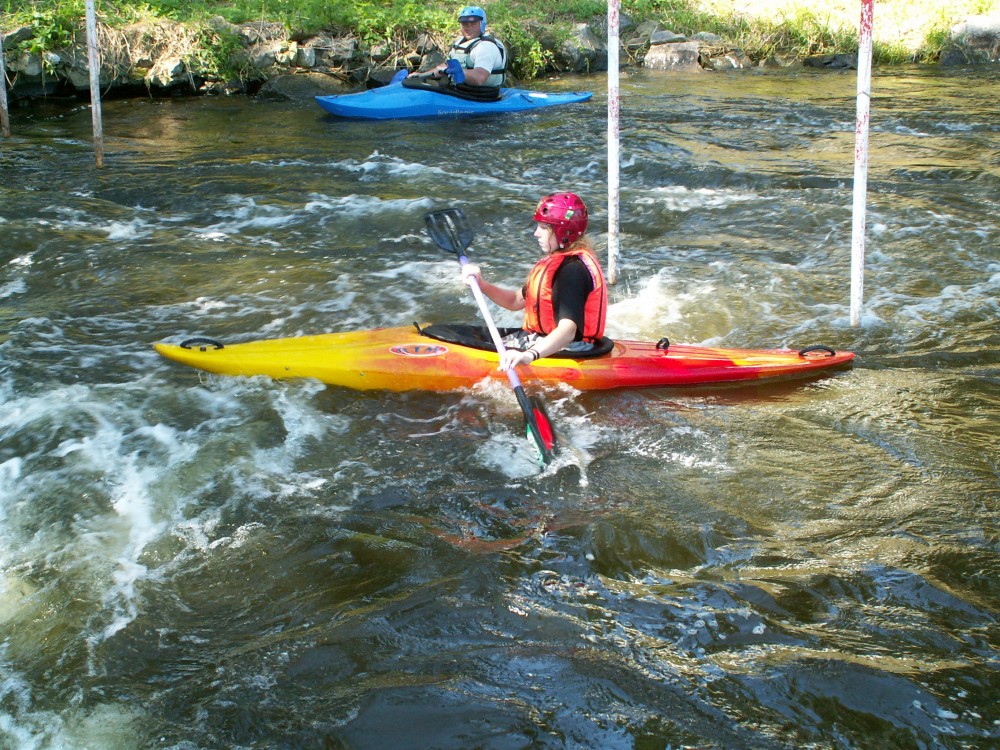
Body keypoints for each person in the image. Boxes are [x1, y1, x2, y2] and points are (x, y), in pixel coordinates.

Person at [463, 192, 608, 372]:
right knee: (460, 335)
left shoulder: (573, 270)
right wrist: (482, 285)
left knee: (468, 344)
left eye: (543, 227)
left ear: (563, 232)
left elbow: (568, 331)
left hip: (566, 348)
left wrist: (529, 355)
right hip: (545, 341)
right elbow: (514, 301)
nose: (536, 233)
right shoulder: (559, 262)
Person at [410, 6, 507, 90]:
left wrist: (458, 71)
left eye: (473, 24)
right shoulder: (460, 42)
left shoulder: (486, 47)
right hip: (462, 91)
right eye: (465, 24)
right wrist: (420, 75)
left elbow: (479, 78)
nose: (468, 27)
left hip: (483, 96)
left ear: (482, 24)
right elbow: (445, 66)